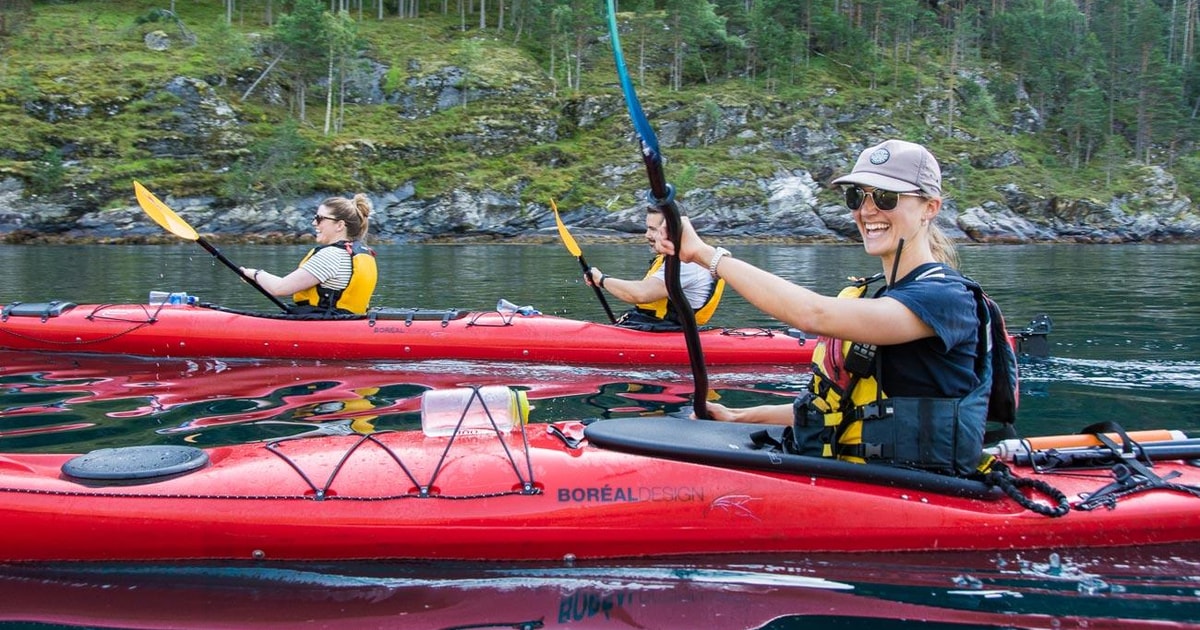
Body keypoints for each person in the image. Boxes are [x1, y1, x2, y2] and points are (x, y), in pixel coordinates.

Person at [654, 139, 990, 476]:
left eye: (886, 198)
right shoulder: (879, 294)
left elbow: (812, 314)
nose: (866, 211)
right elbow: (838, 409)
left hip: (916, 488)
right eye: (857, 197)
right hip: (860, 476)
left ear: (930, 208)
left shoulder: (946, 297)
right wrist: (739, 416)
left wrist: (705, 254)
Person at [584, 205, 724, 331]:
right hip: (657, 327)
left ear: (671, 229)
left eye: (652, 229)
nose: (647, 235)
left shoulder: (687, 264)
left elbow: (641, 294)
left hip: (669, 332)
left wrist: (601, 280)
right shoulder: (674, 256)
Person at [240, 194, 378, 316]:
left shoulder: (331, 255)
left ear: (339, 225)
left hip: (326, 325)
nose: (314, 223)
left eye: (319, 218)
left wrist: (254, 274)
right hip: (348, 322)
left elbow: (280, 288)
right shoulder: (360, 254)